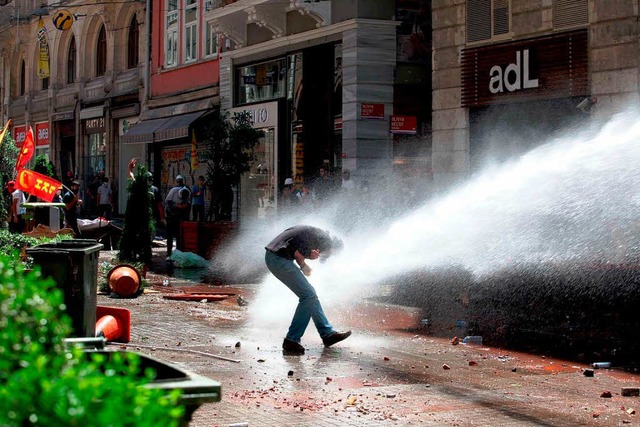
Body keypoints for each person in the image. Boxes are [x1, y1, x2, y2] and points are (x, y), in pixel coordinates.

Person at [265, 225, 351, 355]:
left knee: (311, 296)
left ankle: (327, 334)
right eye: (330, 254)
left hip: (274, 257)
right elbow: (299, 253)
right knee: (309, 296)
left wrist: (305, 264)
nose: (325, 256)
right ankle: (291, 340)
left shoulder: (316, 235)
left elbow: (297, 251)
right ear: (332, 248)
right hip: (278, 259)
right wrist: (307, 262)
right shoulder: (325, 240)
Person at [164, 175, 191, 260]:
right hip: (170, 215)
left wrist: (184, 206)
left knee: (179, 235)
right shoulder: (174, 190)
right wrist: (176, 205)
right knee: (170, 235)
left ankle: (178, 252)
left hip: (180, 215)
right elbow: (167, 202)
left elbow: (188, 203)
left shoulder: (187, 191)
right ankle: (169, 253)